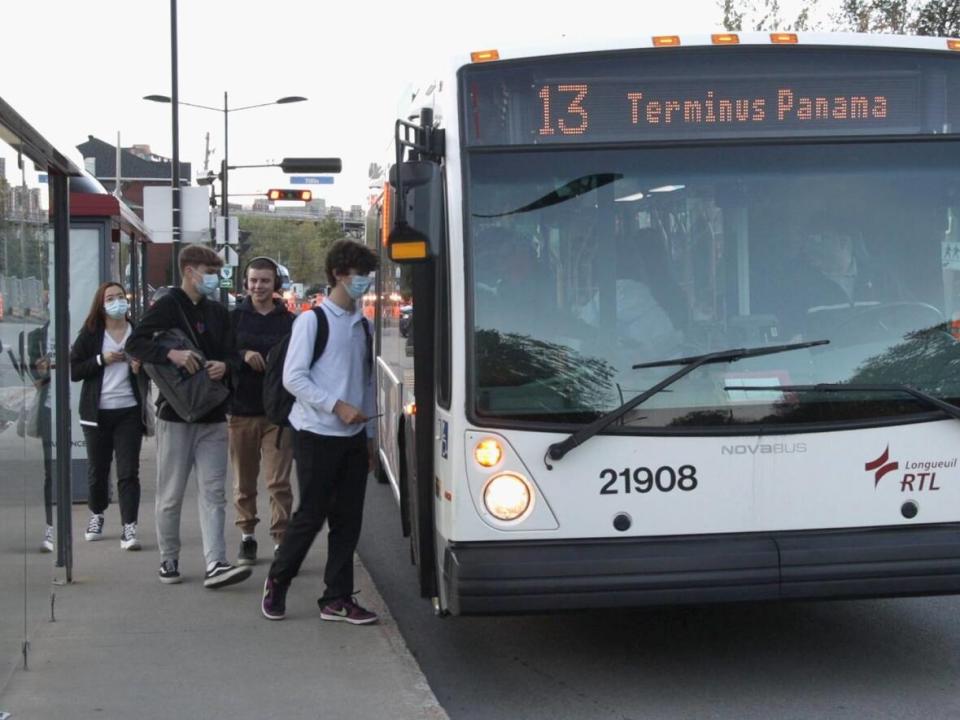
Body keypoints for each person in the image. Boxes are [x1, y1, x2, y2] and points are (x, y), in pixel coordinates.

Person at [261, 239, 378, 624]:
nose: (366, 283)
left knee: (348, 520)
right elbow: (294, 378)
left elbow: (365, 382)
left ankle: (337, 597)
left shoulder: (364, 325)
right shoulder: (313, 320)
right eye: (360, 275)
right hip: (314, 433)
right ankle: (278, 580)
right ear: (339, 275)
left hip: (352, 438)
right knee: (310, 515)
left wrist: (371, 437)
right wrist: (336, 406)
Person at [126, 244, 252, 589]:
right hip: (176, 414)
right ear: (188, 271)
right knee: (171, 493)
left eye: (215, 272)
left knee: (214, 492)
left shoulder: (218, 311)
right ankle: (169, 558)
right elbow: (135, 344)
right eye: (208, 271)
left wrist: (225, 365)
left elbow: (233, 354)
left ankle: (216, 562)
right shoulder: (167, 305)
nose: (213, 278)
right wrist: (173, 354)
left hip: (212, 412)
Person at [69, 282, 147, 550]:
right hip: (97, 413)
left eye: (120, 297)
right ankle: (97, 514)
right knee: (98, 470)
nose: (117, 302)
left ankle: (129, 526)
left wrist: (139, 367)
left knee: (128, 472)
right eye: (110, 298)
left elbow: (152, 368)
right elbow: (75, 369)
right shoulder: (92, 333)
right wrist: (102, 359)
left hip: (128, 411)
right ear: (101, 305)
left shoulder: (136, 332)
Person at [229, 257, 295, 565]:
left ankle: (282, 540)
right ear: (246, 283)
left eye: (264, 281)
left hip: (279, 414)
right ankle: (247, 536)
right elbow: (220, 353)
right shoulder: (234, 319)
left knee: (278, 481)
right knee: (244, 481)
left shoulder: (290, 322)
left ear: (275, 285)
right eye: (253, 280)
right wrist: (243, 355)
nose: (258, 286)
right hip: (242, 410)